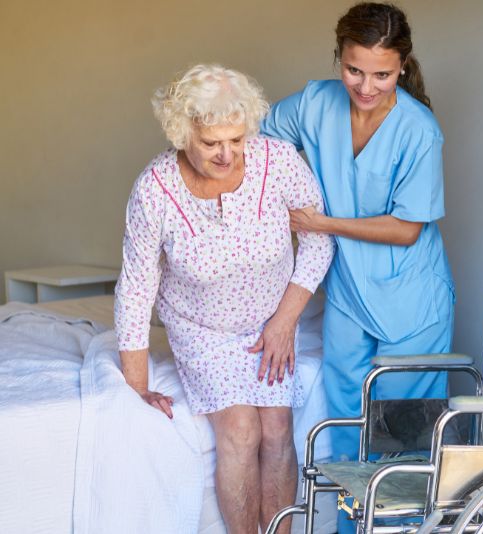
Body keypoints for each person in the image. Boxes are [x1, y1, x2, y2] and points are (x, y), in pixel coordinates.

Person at [114, 64, 334, 534]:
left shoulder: (277, 162)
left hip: (272, 320)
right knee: (240, 431)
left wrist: (286, 321)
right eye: (212, 142)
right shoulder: (154, 190)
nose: (227, 153)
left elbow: (319, 241)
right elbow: (136, 287)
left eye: (236, 139)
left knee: (277, 429)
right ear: (181, 132)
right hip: (202, 329)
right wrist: (137, 387)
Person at [261, 1, 454, 468]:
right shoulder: (314, 103)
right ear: (338, 58)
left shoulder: (418, 131)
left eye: (382, 75)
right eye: (354, 71)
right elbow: (260, 144)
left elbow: (408, 230)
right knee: (346, 430)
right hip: (348, 295)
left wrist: (319, 223)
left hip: (412, 305)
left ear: (401, 67)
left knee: (401, 442)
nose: (366, 87)